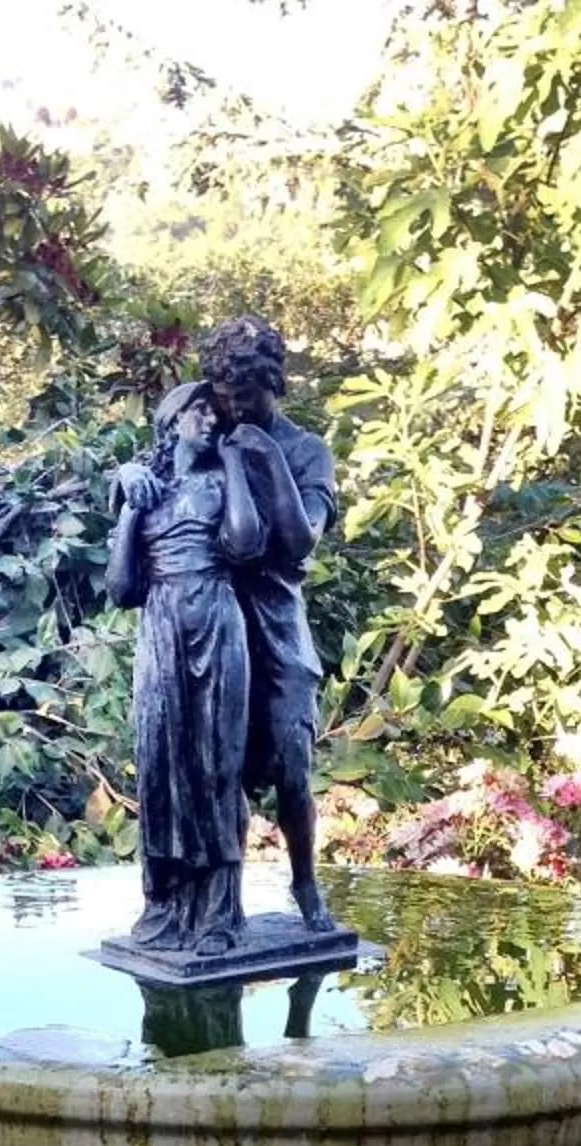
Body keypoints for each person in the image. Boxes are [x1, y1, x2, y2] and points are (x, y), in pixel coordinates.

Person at [107, 379, 262, 954]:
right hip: (162, 627)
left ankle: (220, 915)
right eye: (198, 411)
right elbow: (122, 589)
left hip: (217, 622)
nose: (209, 420)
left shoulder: (223, 483)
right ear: (171, 423)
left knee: (218, 764)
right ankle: (166, 906)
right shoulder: (144, 489)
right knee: (161, 766)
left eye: (212, 412)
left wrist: (235, 466)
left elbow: (246, 545)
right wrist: (127, 508)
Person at [198, 316, 338, 934]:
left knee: (291, 766)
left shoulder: (306, 452)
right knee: (220, 765)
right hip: (216, 626)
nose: (233, 411)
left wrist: (268, 461)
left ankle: (305, 882)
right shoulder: (209, 435)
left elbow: (300, 543)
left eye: (245, 398)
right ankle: (221, 905)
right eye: (225, 398)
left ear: (273, 386)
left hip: (278, 627)